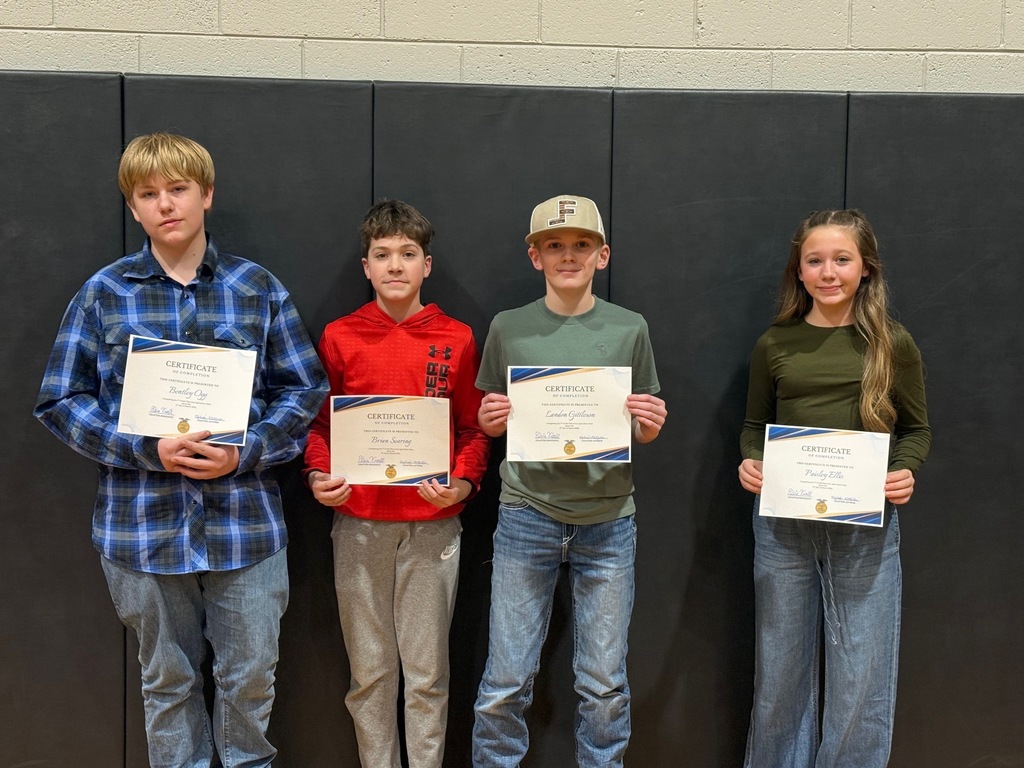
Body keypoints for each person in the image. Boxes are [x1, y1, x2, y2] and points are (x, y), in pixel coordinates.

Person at [34, 132, 328, 768]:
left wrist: (245, 451)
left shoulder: (257, 289)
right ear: (133, 208)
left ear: (206, 196)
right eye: (148, 194)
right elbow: (60, 400)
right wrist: (143, 446)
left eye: (178, 189)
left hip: (245, 523)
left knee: (250, 681)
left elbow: (304, 390)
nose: (165, 204)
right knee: (166, 682)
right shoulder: (104, 293)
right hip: (140, 526)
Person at [471, 195, 668, 767]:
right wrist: (489, 421)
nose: (567, 255)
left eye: (581, 245)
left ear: (602, 255)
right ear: (534, 256)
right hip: (526, 514)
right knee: (505, 679)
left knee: (603, 684)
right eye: (554, 245)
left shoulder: (630, 328)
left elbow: (641, 421)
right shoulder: (509, 328)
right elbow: (490, 412)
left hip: (609, 521)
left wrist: (649, 425)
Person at [737, 209, 931, 768]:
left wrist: (905, 469)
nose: (828, 272)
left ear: (865, 269)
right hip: (783, 527)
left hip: (865, 524)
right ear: (798, 273)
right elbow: (754, 426)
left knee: (862, 675)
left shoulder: (892, 343)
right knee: (780, 670)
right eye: (815, 261)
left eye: (841, 260)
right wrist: (751, 462)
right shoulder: (775, 343)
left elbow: (916, 430)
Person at [303, 199, 490, 768]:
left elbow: (472, 429)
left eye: (407, 254)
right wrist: (318, 472)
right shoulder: (340, 336)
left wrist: (463, 483)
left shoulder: (455, 338)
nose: (394, 266)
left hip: (432, 528)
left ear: (426, 265)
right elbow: (319, 425)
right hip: (359, 525)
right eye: (382, 255)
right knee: (371, 672)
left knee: (428, 675)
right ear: (365, 266)